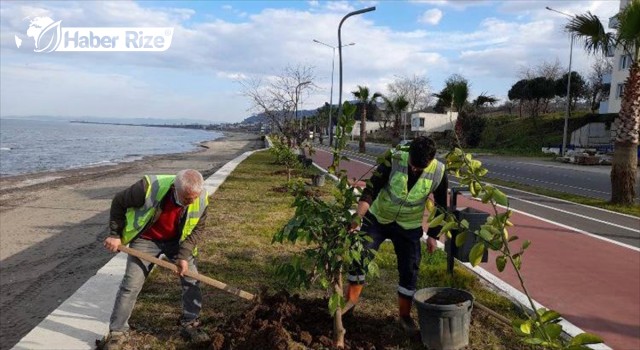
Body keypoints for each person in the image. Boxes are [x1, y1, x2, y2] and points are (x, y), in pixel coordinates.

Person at [346, 136, 448, 334]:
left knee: (410, 269)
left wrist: (433, 235)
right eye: (413, 165)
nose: (415, 170)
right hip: (378, 218)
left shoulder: (438, 171)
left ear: (431, 160)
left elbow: (442, 206)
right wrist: (358, 217)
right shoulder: (394, 159)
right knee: (359, 257)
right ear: (408, 153)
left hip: (408, 226)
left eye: (420, 168)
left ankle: (404, 316)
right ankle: (349, 304)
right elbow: (371, 189)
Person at [102, 169, 210, 349]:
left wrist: (183, 257)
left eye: (194, 198)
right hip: (146, 239)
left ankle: (190, 323)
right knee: (131, 284)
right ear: (175, 188)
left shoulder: (201, 197)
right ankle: (117, 332)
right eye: (186, 199)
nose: (191, 202)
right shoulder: (148, 187)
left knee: (191, 278)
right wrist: (115, 234)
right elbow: (119, 201)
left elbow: (197, 229)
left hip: (177, 241)